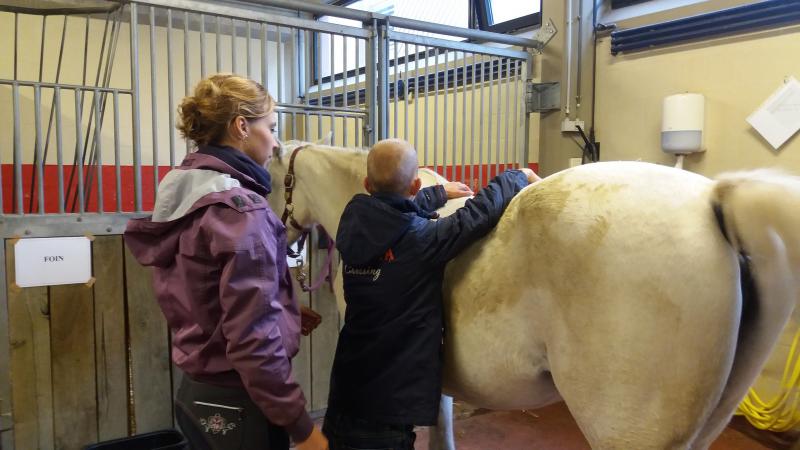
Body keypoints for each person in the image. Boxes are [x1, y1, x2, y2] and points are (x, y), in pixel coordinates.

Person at [124, 74, 328, 450]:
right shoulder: (242, 212)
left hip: (197, 389)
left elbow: (204, 287)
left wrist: (283, 308)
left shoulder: (184, 189)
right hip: (242, 401)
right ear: (240, 127)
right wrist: (302, 427)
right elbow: (253, 342)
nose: (276, 140)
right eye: (271, 127)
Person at [323, 138, 540, 450]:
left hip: (345, 395)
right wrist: (515, 176)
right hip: (389, 410)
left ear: (367, 184)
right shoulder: (422, 239)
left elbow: (391, 213)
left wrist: (438, 193)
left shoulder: (352, 220)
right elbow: (474, 216)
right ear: (414, 186)